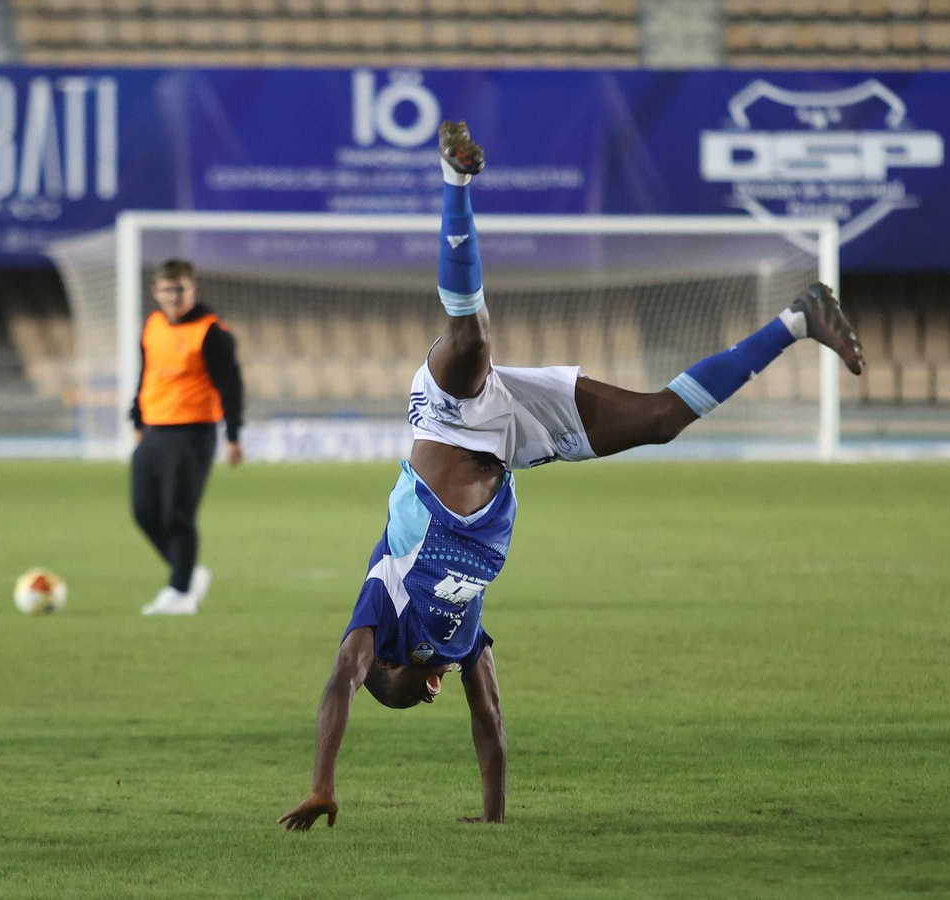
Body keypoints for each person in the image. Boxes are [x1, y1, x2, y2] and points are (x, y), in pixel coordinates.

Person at [276, 121, 865, 831]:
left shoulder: (382, 606)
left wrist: (322, 783)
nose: (429, 693)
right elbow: (490, 716)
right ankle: (799, 320)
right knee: (659, 420)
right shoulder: (460, 636)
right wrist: (493, 821)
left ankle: (455, 181)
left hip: (449, 419)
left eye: (410, 691)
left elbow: (341, 679)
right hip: (510, 443)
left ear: (388, 668)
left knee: (470, 335)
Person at [130, 259, 245, 616]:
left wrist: (233, 434)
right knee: (144, 512)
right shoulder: (152, 325)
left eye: (180, 289)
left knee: (177, 514)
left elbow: (230, 384)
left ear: (193, 289)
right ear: (156, 291)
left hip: (192, 432)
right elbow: (147, 374)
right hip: (154, 430)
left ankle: (180, 592)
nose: (174, 297)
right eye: (167, 290)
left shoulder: (211, 332)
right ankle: (189, 574)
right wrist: (137, 417)